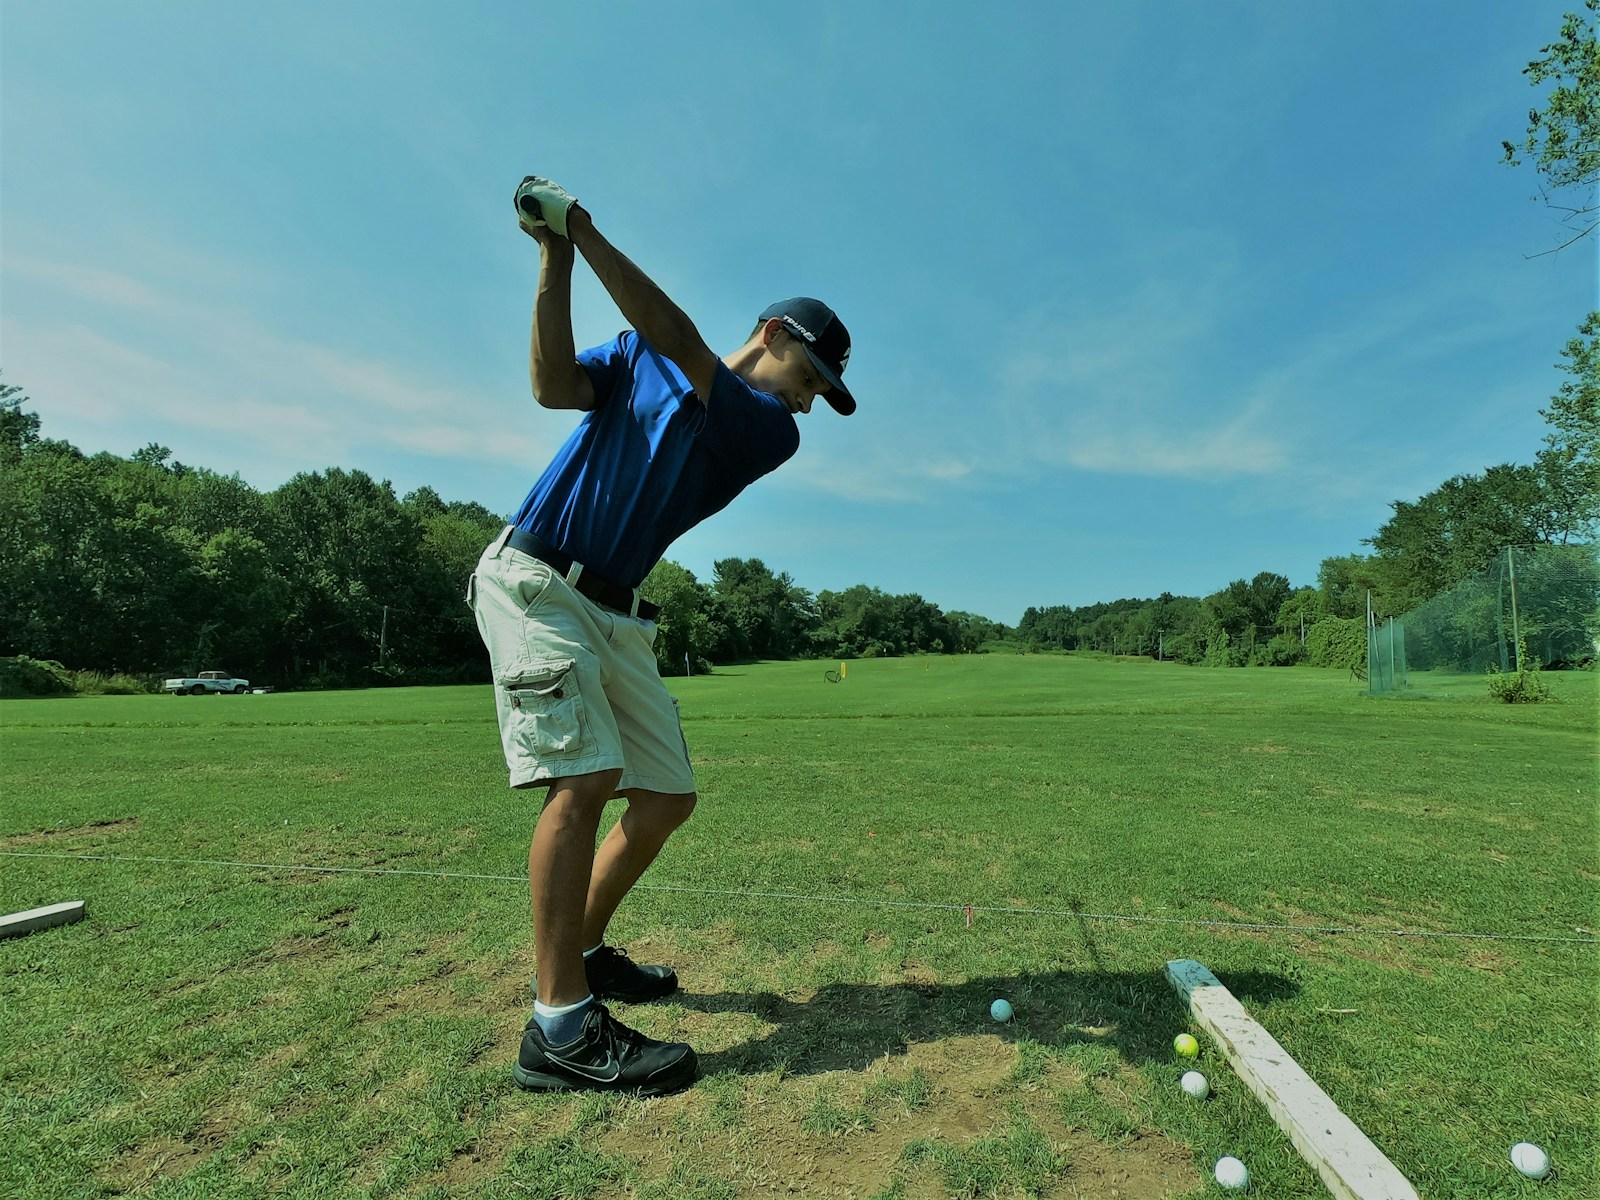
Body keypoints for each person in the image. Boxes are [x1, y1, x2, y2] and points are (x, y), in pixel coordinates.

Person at [469, 175, 858, 1096]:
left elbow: (682, 344)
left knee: (666, 796)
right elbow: (552, 385)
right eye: (810, 379)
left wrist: (586, 233)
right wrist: (555, 259)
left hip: (615, 611)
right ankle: (559, 1026)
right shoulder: (639, 357)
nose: (808, 403)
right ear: (774, 338)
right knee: (586, 778)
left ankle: (589, 948)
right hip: (537, 581)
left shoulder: (766, 431)